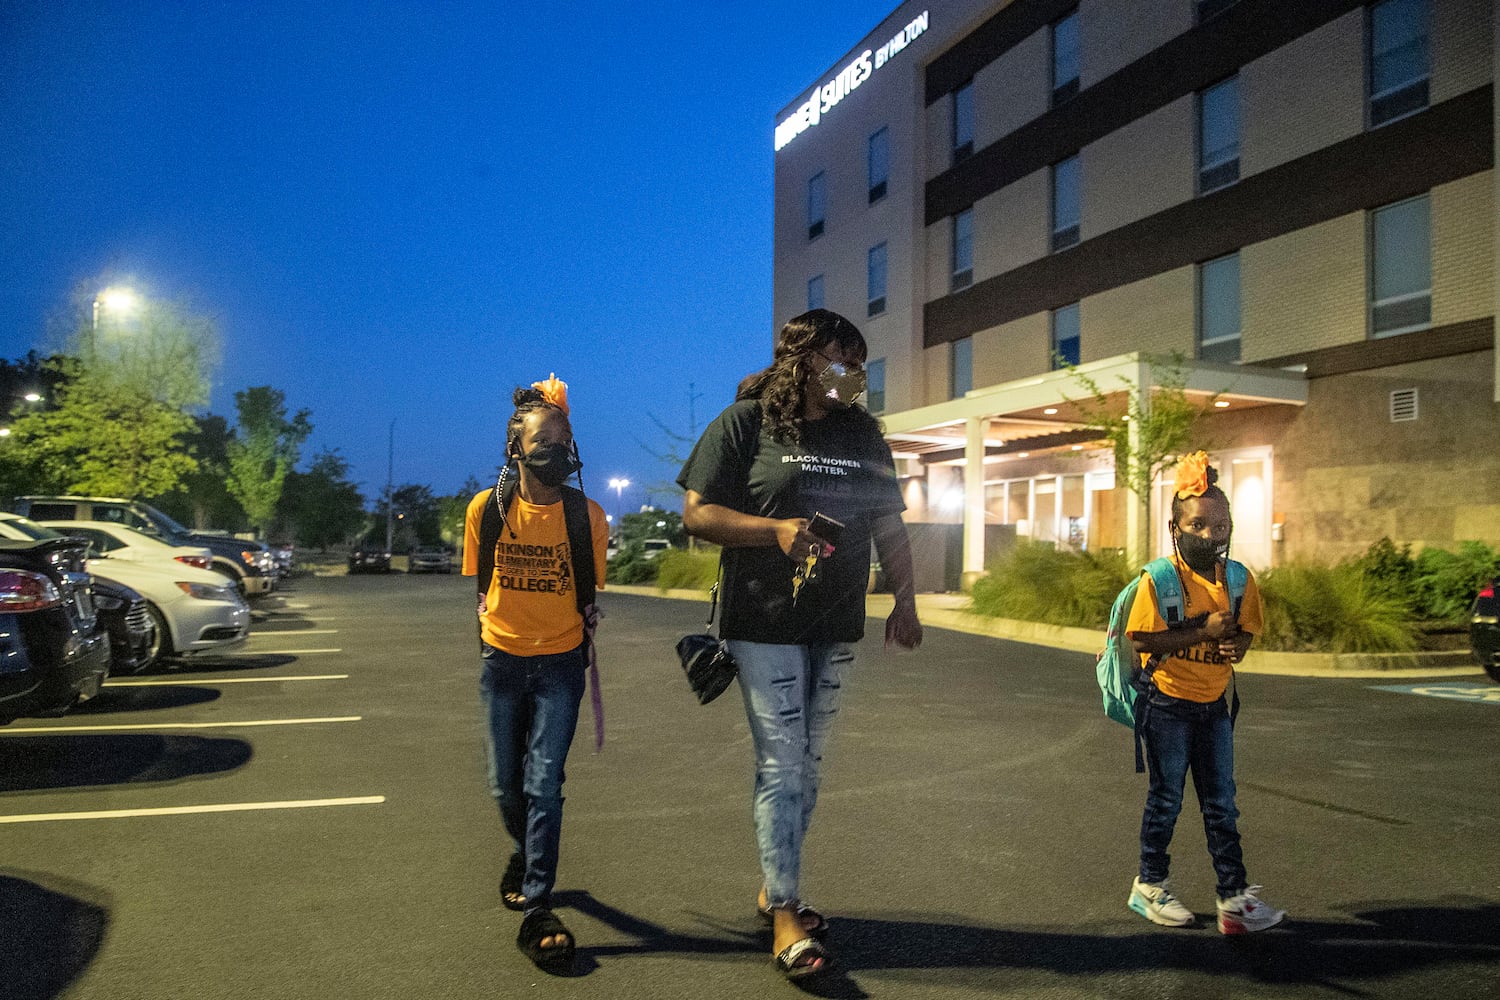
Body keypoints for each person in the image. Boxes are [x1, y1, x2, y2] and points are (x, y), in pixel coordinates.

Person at [677, 309, 923, 980]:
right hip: (763, 620)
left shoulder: (862, 434)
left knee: (808, 766)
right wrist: (775, 531)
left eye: (863, 363)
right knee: (783, 764)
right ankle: (785, 910)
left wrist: (905, 597)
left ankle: (773, 884)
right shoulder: (746, 424)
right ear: (810, 359)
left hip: (836, 618)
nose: (859, 374)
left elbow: (889, 523)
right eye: (849, 359)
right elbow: (696, 513)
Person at [461, 375, 609, 971]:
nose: (556, 449)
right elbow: (481, 587)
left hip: (561, 664)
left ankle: (538, 906)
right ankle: (524, 852)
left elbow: (586, 593)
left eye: (563, 438)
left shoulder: (588, 516)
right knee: (504, 784)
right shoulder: (485, 509)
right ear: (514, 449)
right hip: (501, 660)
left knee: (544, 782)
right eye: (543, 439)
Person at [1124, 451, 1286, 934]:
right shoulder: (1159, 580)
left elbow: (1249, 630)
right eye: (1197, 525)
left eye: (1219, 525)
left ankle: (1233, 900)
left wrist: (1239, 643)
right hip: (1167, 705)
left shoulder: (1238, 580)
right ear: (1175, 529)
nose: (1210, 535)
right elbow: (1141, 640)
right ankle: (1149, 886)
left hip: (1214, 707)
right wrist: (1203, 632)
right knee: (1166, 799)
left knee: (1221, 803)